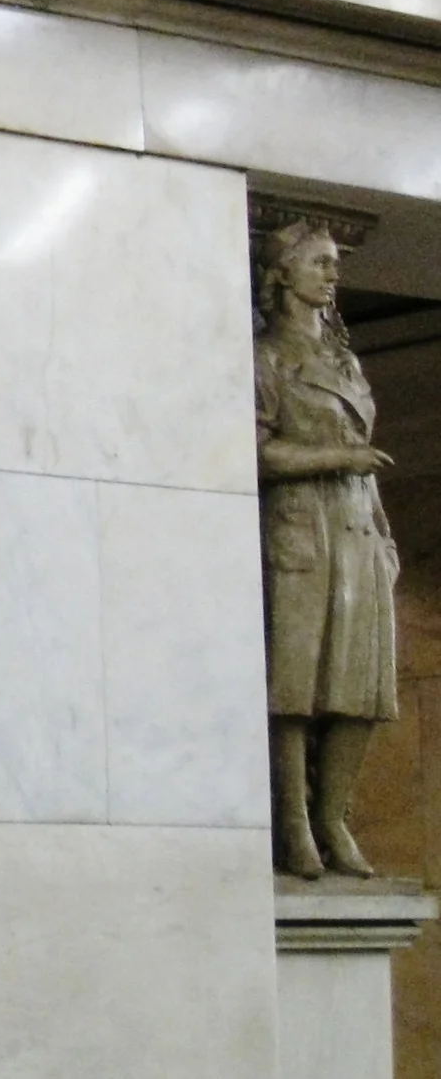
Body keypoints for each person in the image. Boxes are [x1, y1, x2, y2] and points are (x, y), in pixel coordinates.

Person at [256, 219, 399, 880]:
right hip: (302, 529)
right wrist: (336, 456)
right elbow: (254, 451)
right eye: (319, 261)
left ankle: (334, 815)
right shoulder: (267, 358)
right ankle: (293, 821)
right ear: (283, 274)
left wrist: (386, 538)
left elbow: (365, 459)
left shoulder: (345, 358)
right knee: (297, 683)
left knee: (359, 688)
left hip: (357, 528)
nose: (332, 273)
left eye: (335, 262)